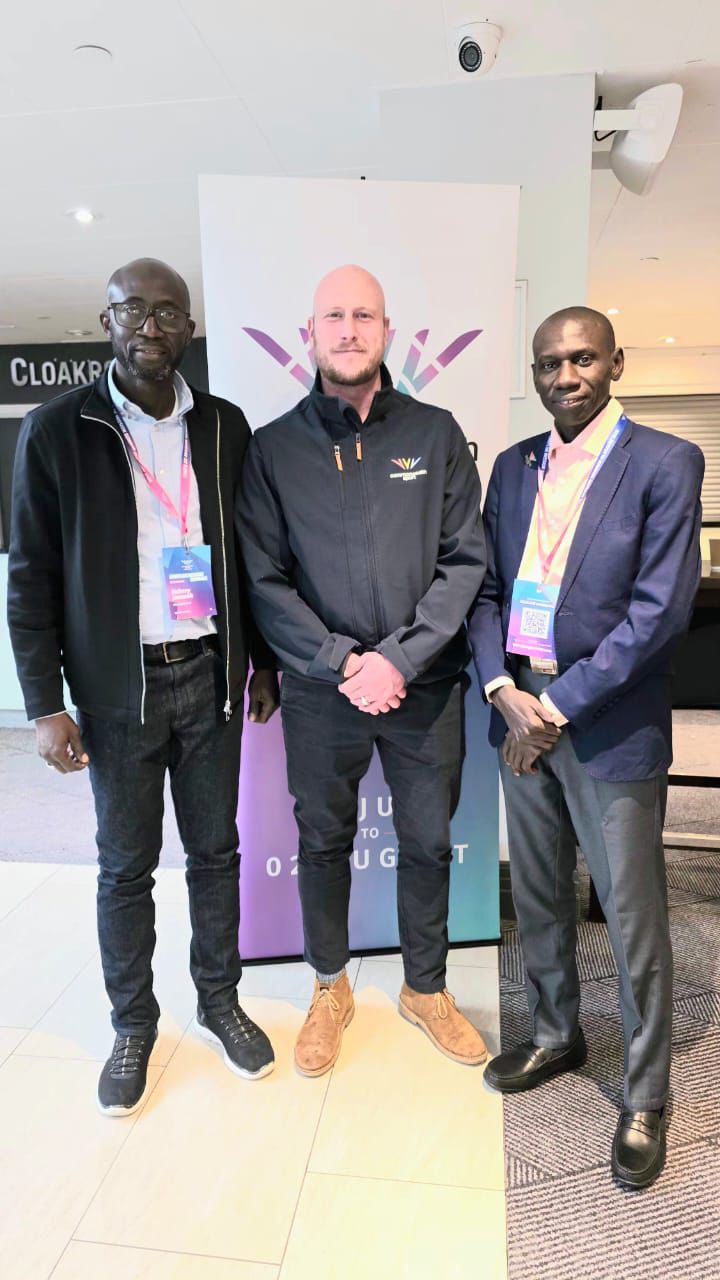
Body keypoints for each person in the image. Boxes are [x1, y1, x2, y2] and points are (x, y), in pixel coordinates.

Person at [8, 258, 279, 1115]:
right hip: (116, 693)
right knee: (125, 868)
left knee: (216, 854)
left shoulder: (225, 426)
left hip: (209, 676)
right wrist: (44, 705)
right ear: (108, 321)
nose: (150, 326)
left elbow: (253, 558)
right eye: (133, 310)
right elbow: (31, 575)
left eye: (167, 312)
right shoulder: (58, 429)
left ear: (189, 328)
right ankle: (133, 1023)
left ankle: (220, 1001)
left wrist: (262, 660)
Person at [469, 306, 704, 1188]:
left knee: (633, 915)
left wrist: (553, 707)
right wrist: (503, 691)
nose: (565, 376)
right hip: (518, 712)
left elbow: (658, 614)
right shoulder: (513, 466)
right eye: (548, 362)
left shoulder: (666, 462)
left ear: (615, 362)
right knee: (538, 894)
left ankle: (646, 1093)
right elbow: (486, 593)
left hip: (604, 722)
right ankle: (557, 1033)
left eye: (582, 358)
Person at [237, 264, 488, 1077]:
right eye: (334, 317)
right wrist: (346, 660)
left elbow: (465, 562)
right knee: (322, 843)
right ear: (309, 333)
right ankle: (329, 988)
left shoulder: (436, 435)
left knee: (428, 841)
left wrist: (399, 660)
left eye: (364, 316)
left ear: (387, 332)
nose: (348, 330)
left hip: (425, 685)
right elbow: (263, 580)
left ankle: (426, 988)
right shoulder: (273, 448)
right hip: (323, 691)